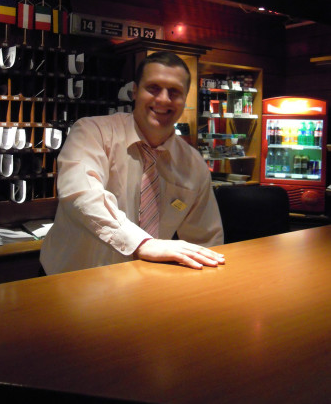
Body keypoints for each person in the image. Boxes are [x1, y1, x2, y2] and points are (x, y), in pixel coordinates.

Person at [40, 51, 224, 274]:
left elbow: (206, 241)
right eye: (153, 88)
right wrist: (141, 243)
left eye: (174, 92)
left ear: (185, 99)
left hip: (143, 283)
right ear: (135, 91)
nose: (163, 99)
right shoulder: (92, 132)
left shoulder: (193, 164)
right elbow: (81, 194)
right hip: (70, 280)